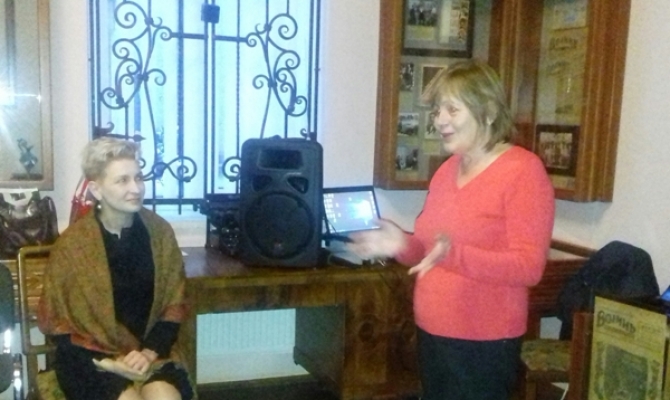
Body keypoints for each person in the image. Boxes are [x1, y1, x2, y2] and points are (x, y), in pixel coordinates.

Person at [349, 60, 555, 400]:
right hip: (433, 332)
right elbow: (429, 249)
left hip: (483, 344)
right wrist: (400, 244)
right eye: (437, 110)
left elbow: (528, 267)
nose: (439, 120)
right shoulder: (446, 171)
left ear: (488, 111)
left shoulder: (523, 171)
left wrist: (453, 255)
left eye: (452, 109)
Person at [37, 137, 193, 400]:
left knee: (165, 396)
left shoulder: (160, 234)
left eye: (138, 178)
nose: (136, 188)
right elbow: (60, 326)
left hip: (151, 353)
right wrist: (109, 363)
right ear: (96, 189)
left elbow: (174, 307)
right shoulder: (72, 245)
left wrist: (147, 354)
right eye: (122, 180)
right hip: (89, 360)